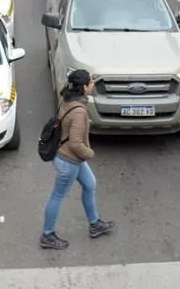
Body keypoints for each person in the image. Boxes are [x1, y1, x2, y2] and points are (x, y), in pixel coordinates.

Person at [40, 69, 114, 250]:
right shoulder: (79, 111)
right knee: (57, 196)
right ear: (83, 87)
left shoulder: (67, 99)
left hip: (71, 158)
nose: (92, 85)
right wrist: (90, 153)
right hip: (69, 160)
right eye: (90, 83)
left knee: (90, 184)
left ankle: (95, 224)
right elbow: (75, 143)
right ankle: (47, 235)